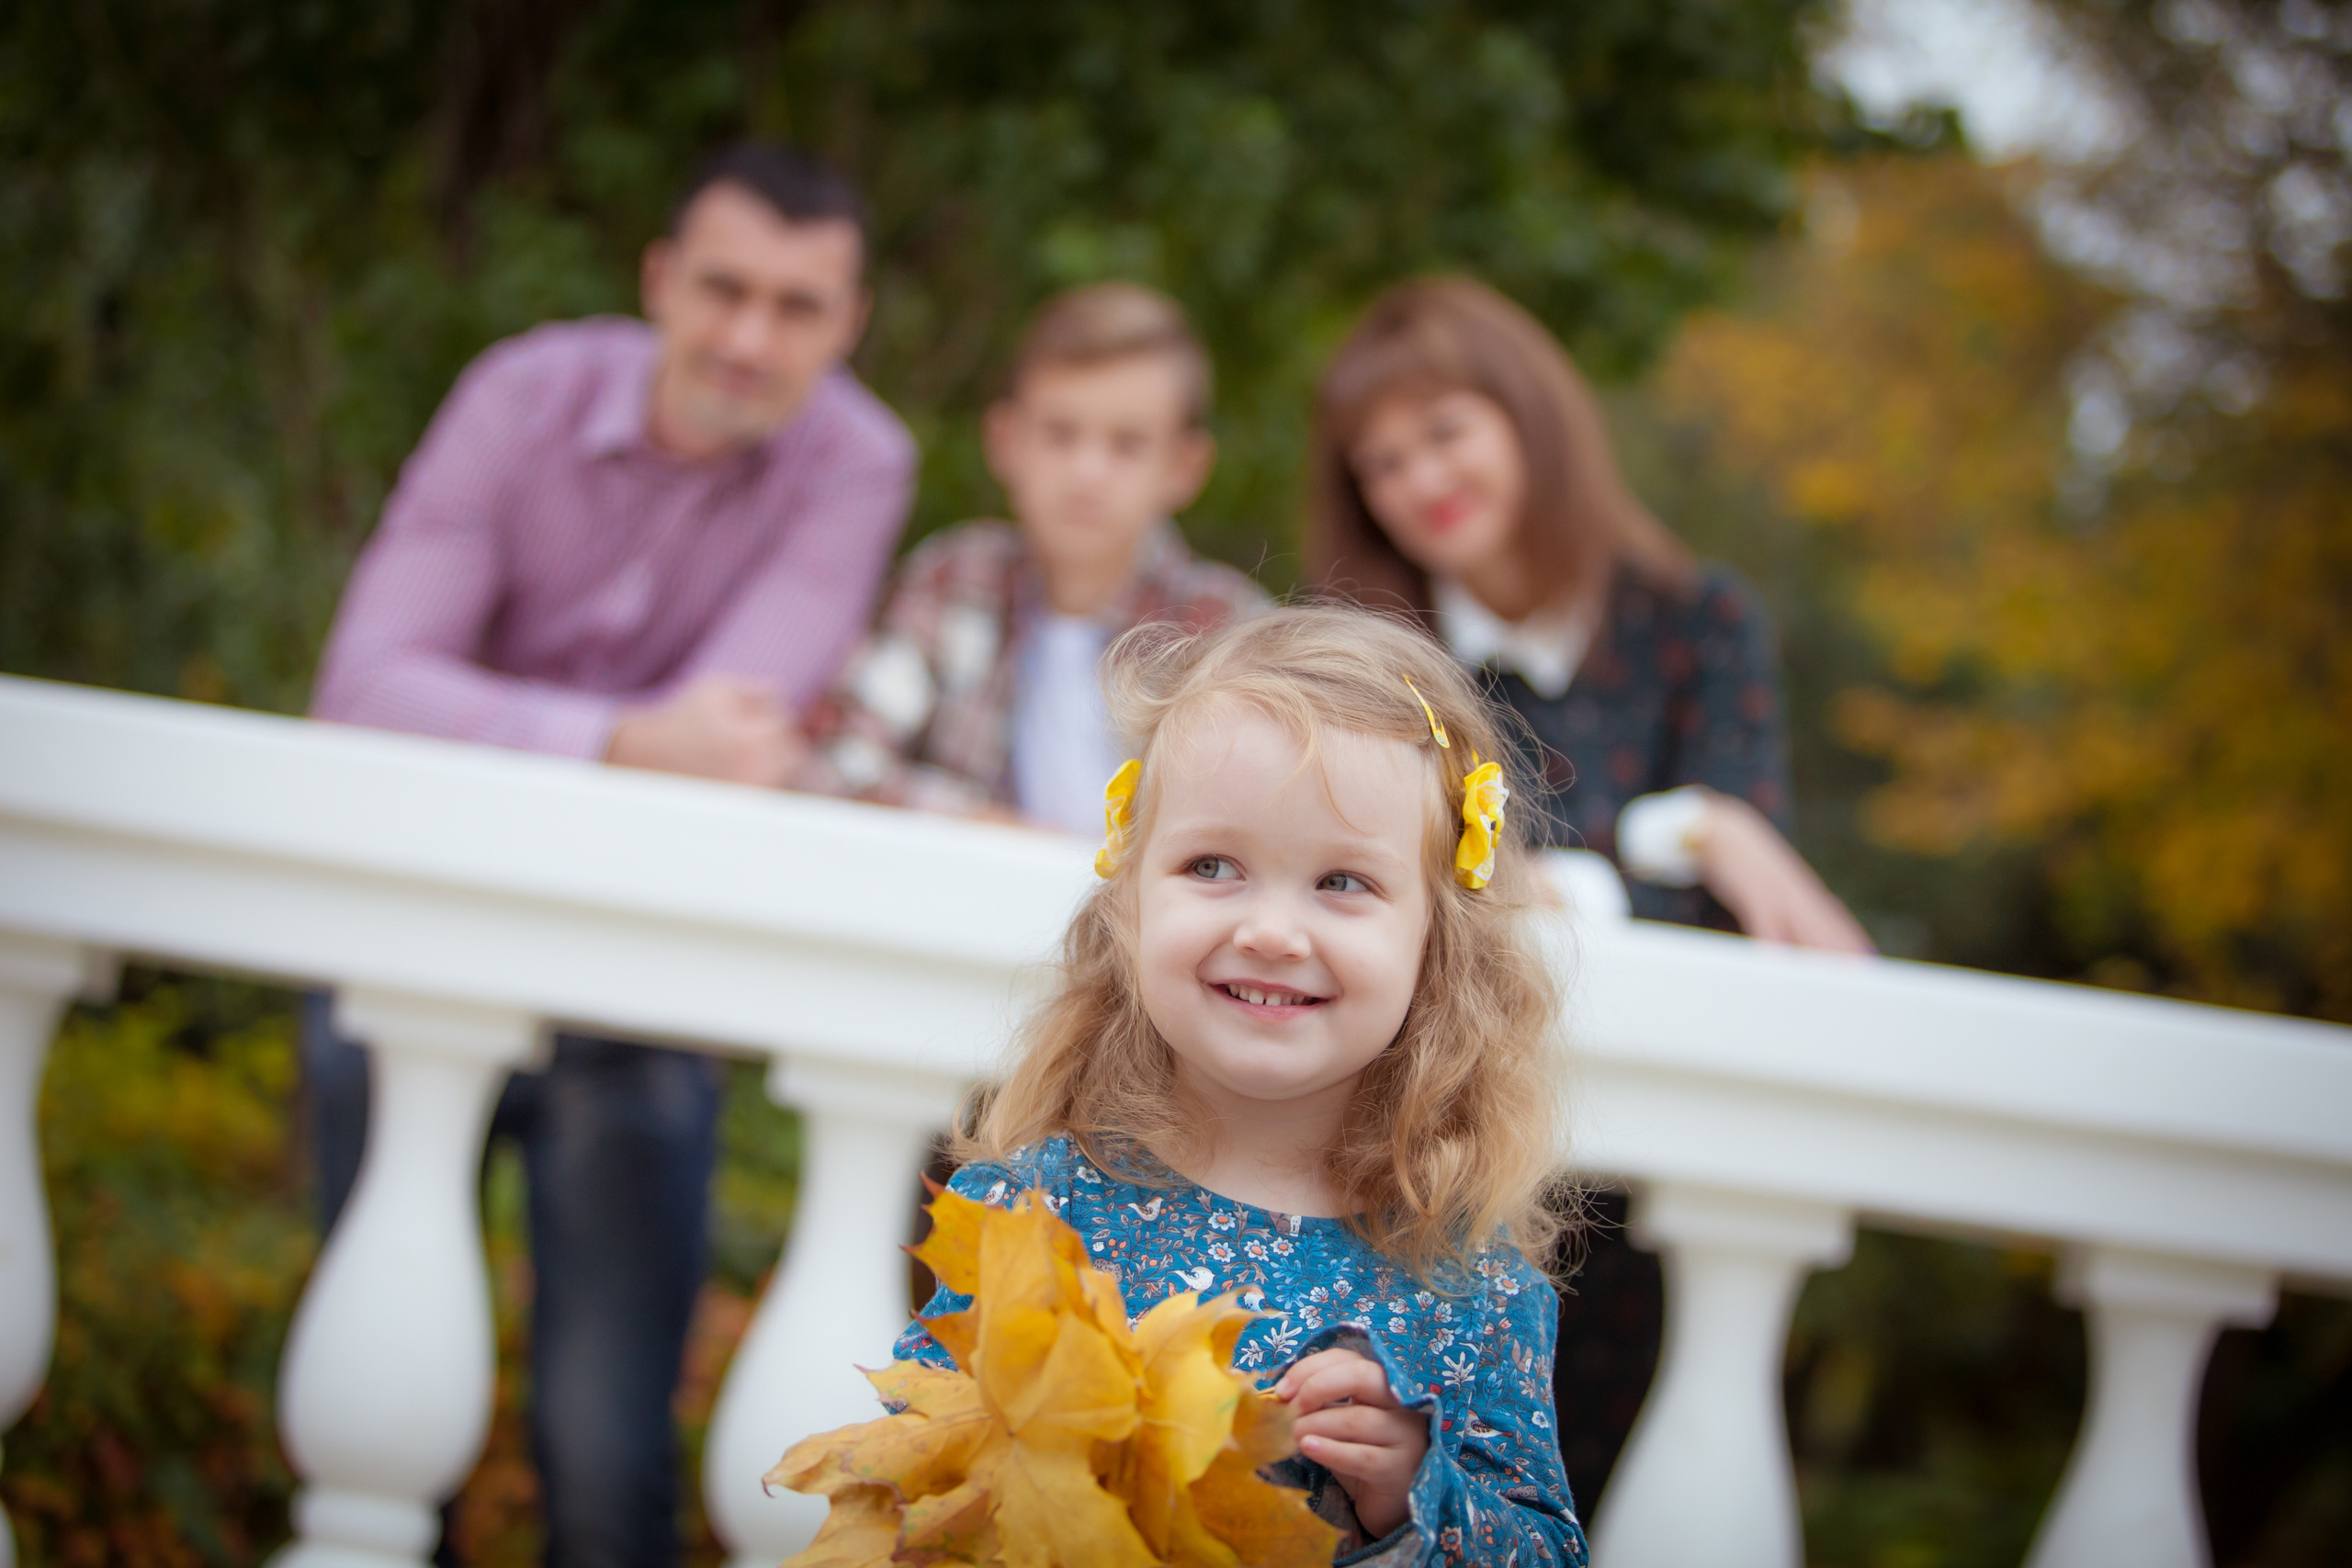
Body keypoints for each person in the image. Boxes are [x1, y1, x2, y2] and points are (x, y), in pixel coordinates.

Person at [303, 142, 916, 1565]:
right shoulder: (521, 394)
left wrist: (536, 728)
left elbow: (740, 736)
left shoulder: (858, 460)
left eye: (797, 307)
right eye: (722, 289)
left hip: (639, 998)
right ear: (659, 279)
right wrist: (628, 738)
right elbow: (366, 684)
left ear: (849, 323)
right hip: (418, 944)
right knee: (375, 1415)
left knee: (606, 1456)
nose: (749, 338)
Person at [1305, 275, 1869, 1516]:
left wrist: (1666, 848)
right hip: (1421, 1141)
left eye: (1443, 431)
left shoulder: (1699, 622)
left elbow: (1752, 899)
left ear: (1529, 417)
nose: (1418, 479)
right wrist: (1673, 835)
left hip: (1640, 1171)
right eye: (1381, 461)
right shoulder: (1372, 655)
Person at [893, 606, 1588, 1564]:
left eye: (1341, 882)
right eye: (1212, 865)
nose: (1269, 931)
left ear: (1438, 944)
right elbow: (912, 1481)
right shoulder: (1033, 1214)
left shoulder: (1468, 1283)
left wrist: (1408, 1493)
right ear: (1130, 904)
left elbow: (1547, 1549)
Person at [798, 282, 1267, 831]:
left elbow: (1262, 822)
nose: (1087, 472)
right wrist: (983, 825)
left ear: (1184, 467)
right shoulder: (956, 576)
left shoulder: (1225, 627)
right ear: (1005, 441)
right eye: (1059, 434)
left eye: (1127, 444)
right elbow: (838, 758)